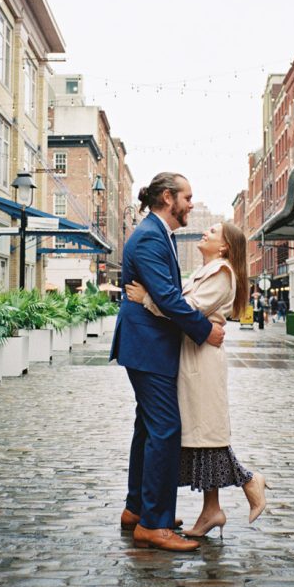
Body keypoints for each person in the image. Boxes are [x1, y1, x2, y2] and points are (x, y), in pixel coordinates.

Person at [126, 221, 267, 538]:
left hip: (201, 360)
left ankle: (248, 481)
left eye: (214, 232)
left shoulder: (221, 273)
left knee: (206, 434)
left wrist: (148, 298)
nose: (206, 232)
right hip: (193, 353)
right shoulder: (209, 271)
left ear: (224, 247)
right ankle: (211, 510)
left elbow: (186, 308)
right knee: (201, 435)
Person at [109, 173, 225, 552]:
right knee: (165, 429)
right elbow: (170, 299)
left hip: (150, 344)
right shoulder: (148, 237)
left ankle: (137, 509)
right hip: (148, 346)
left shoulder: (159, 235)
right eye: (187, 197)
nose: (192, 203)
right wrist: (204, 330)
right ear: (166, 197)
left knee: (147, 428)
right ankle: (154, 524)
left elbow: (167, 295)